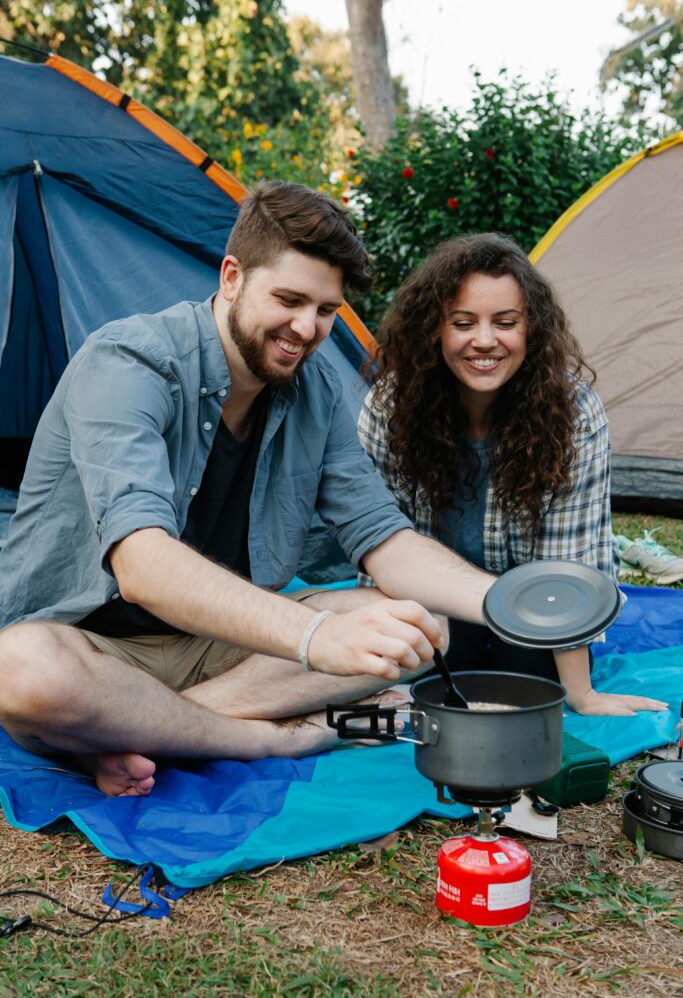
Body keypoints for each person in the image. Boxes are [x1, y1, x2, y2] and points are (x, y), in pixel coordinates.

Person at [0, 182, 495, 799]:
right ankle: (266, 737)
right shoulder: (128, 362)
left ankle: (145, 731)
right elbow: (143, 566)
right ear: (232, 277)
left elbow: (382, 537)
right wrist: (316, 638)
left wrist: (509, 602)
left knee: (421, 627)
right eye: (289, 299)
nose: (307, 328)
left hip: (221, 647)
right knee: (19, 670)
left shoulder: (313, 392)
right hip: (92, 644)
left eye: (326, 310)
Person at [358, 233, 667, 718]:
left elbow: (571, 564)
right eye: (463, 323)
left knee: (528, 676)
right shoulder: (390, 407)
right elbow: (376, 543)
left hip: (538, 611)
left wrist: (582, 696)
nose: (484, 341)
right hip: (432, 609)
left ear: (532, 330)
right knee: (433, 667)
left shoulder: (574, 414)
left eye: (506, 323)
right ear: (434, 330)